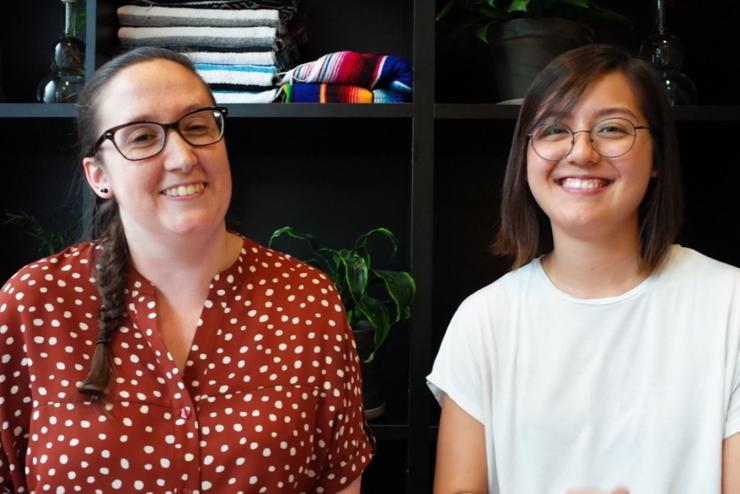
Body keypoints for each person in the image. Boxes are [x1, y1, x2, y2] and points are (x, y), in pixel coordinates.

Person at [0, 47, 372, 493]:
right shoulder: (34, 303)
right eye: (141, 137)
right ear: (99, 176)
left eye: (197, 126)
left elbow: (340, 480)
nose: (181, 157)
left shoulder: (308, 301)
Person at [427, 44, 740, 494]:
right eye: (554, 129)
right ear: (526, 156)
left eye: (612, 128)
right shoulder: (485, 319)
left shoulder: (729, 306)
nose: (581, 151)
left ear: (656, 159)